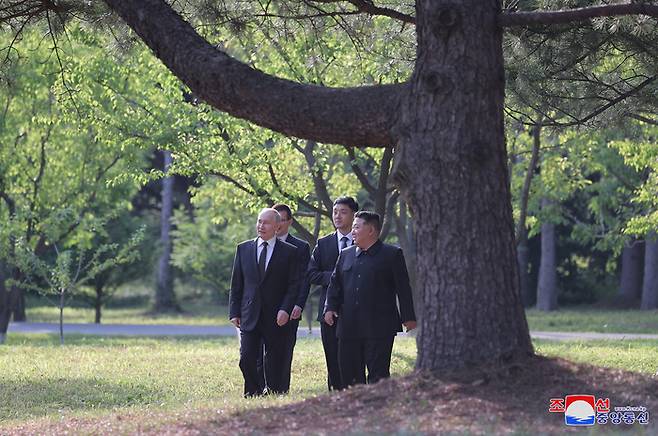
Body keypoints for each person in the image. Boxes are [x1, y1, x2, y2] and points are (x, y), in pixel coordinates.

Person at [324, 210, 416, 387]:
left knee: (378, 376)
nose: (352, 232)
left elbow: (403, 288)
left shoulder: (392, 254)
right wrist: (330, 307)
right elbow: (335, 284)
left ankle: (378, 408)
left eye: (357, 227)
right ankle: (352, 409)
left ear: (371, 230)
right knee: (349, 375)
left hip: (379, 327)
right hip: (349, 326)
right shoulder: (345, 254)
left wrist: (408, 317)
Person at [229, 208, 299, 397]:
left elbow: (293, 286)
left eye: (266, 222)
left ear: (277, 227)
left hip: (276, 315)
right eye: (259, 221)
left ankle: (275, 392)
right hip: (249, 313)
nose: (261, 226)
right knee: (246, 358)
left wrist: (286, 309)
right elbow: (237, 283)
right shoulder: (243, 248)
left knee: (274, 359)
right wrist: (234, 312)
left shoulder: (289, 252)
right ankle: (254, 391)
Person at [255, 203, 311, 393]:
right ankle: (262, 387)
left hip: (288, 308)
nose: (277, 224)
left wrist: (297, 305)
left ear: (288, 222)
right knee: (259, 351)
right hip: (262, 309)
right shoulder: (258, 245)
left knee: (284, 349)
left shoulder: (300, 247)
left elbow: (302, 280)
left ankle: (281, 388)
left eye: (281, 220)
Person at [308, 196, 358, 391]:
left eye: (343, 212)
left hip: (355, 309)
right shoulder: (324, 243)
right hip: (329, 309)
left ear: (354, 215)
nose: (337, 216)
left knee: (354, 355)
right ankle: (335, 391)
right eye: (335, 212)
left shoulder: (362, 240)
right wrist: (336, 277)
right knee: (332, 355)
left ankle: (355, 390)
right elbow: (311, 273)